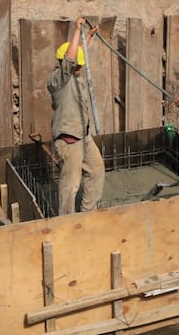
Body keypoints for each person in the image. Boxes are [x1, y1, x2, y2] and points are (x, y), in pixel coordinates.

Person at [48, 17, 104, 215]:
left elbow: (78, 57)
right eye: (76, 64)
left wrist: (87, 37)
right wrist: (77, 29)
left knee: (96, 170)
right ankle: (66, 222)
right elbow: (71, 60)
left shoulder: (76, 74)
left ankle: (89, 214)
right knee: (70, 185)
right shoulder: (59, 81)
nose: (79, 66)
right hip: (69, 140)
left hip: (83, 136)